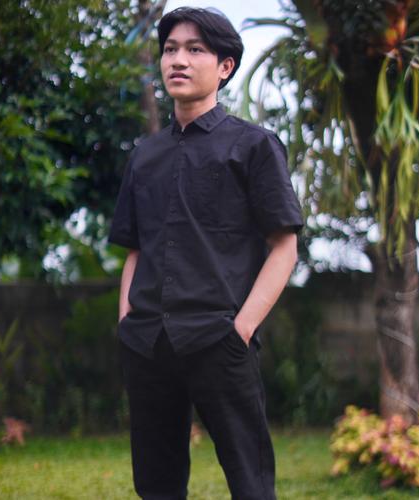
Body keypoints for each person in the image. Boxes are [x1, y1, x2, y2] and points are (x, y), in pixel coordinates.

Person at [108, 7, 303, 500]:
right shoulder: (145, 155)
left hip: (220, 340)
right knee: (156, 485)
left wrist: (242, 329)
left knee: (251, 482)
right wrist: (127, 321)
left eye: (195, 49)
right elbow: (135, 249)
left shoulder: (254, 146)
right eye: (171, 49)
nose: (178, 60)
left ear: (225, 67)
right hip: (148, 343)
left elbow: (284, 247)